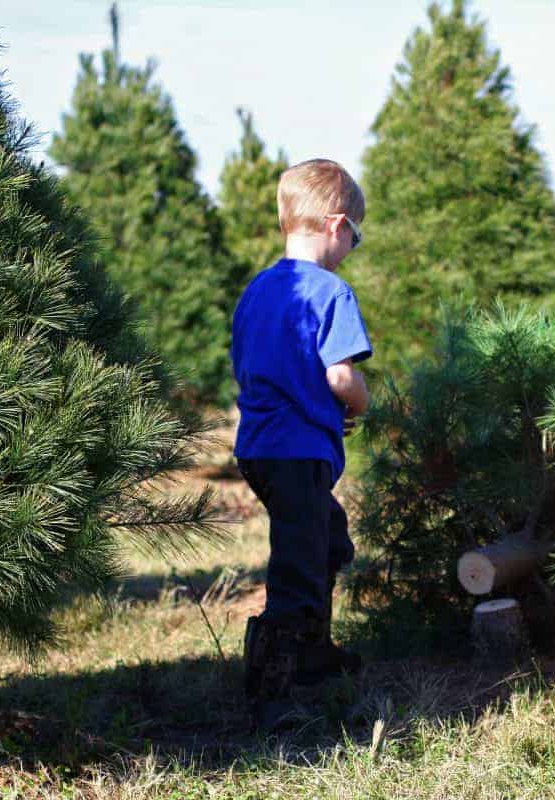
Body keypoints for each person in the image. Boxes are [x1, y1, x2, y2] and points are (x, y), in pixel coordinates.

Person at [230, 158, 371, 724]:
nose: (352, 248)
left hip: (260, 448)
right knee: (298, 565)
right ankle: (270, 691)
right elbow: (341, 377)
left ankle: (313, 653)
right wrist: (361, 401)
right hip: (298, 450)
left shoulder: (256, 291)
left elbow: (251, 365)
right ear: (336, 226)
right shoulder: (331, 293)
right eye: (355, 237)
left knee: (327, 540)